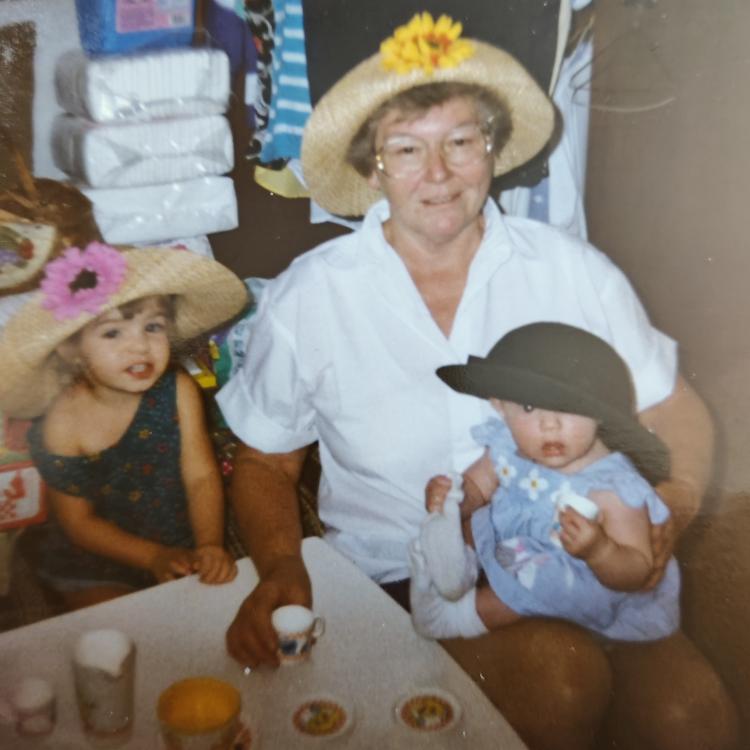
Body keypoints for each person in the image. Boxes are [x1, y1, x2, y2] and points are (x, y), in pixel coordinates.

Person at [217, 12, 738, 750]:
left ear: (491, 150)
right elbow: (267, 466)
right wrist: (279, 566)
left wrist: (671, 513)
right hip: (407, 576)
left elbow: (674, 407)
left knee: (696, 716)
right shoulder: (313, 295)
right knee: (559, 679)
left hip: (587, 555)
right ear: (372, 169)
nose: (438, 174)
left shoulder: (569, 268)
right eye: (407, 149)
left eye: (461, 142)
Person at [0, 242, 249, 611]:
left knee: (214, 609)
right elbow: (79, 524)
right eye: (113, 333)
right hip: (98, 556)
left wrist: (210, 544)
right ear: (72, 350)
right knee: (118, 623)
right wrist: (153, 557)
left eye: (153, 327)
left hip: (180, 532)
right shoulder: (62, 425)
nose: (140, 347)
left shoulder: (177, 389)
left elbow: (200, 477)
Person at [410, 321, 680, 644]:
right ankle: (455, 567)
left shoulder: (616, 486)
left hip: (578, 572)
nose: (549, 424)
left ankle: (451, 618)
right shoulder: (507, 447)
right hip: (519, 543)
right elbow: (478, 487)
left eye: (567, 408)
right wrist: (453, 497)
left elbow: (638, 569)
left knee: (537, 584)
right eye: (527, 407)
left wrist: (599, 550)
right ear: (500, 406)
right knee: (476, 517)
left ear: (600, 414)